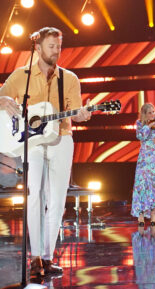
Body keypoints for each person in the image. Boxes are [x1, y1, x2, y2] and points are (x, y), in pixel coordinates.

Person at [0, 27, 91, 277]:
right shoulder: (22, 76)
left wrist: (82, 115)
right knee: (35, 197)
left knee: (57, 202)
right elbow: (2, 97)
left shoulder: (70, 79)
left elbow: (76, 111)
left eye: (58, 46)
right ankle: (35, 257)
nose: (56, 51)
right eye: (51, 46)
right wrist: (3, 101)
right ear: (38, 48)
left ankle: (48, 257)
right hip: (33, 143)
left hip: (62, 138)